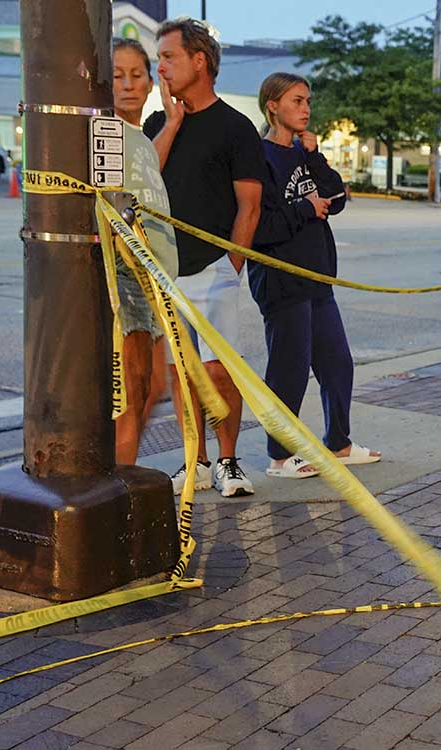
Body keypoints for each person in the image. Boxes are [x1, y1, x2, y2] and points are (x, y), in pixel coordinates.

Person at [144, 18, 264, 497]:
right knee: (181, 372)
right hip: (166, 271)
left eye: (169, 57)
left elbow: (250, 205)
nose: (161, 67)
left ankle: (228, 461)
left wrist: (231, 267)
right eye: (159, 59)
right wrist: (172, 122)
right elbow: (145, 179)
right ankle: (193, 460)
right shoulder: (159, 123)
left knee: (218, 371)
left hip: (215, 268)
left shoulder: (236, 127)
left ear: (200, 60)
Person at [252, 72, 381, 477]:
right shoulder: (260, 157)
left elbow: (338, 198)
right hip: (282, 278)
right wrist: (306, 209)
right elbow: (259, 227)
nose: (306, 109)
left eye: (308, 101)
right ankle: (279, 456)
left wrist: (315, 156)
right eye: (296, 101)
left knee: (338, 363)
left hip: (318, 276)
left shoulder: (303, 153)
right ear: (272, 105)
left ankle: (338, 443)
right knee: (288, 371)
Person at [111, 38, 179, 464]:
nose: (128, 84)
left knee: (154, 386)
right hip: (124, 275)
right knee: (132, 393)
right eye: (117, 76)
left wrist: (171, 123)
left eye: (137, 74)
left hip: (151, 279)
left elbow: (143, 171)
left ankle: (124, 480)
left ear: (151, 82)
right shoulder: (104, 130)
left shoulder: (136, 136)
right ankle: (118, 494)